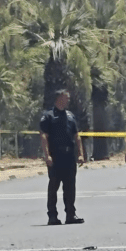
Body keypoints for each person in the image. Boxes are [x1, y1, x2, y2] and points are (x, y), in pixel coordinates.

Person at [40, 89, 85, 225]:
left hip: (69, 156)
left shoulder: (70, 116)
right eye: (66, 98)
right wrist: (47, 155)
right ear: (59, 98)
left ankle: (71, 215)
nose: (68, 100)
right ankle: (52, 216)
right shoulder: (48, 116)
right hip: (56, 156)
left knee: (70, 186)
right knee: (54, 186)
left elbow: (76, 136)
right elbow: (44, 136)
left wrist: (81, 154)